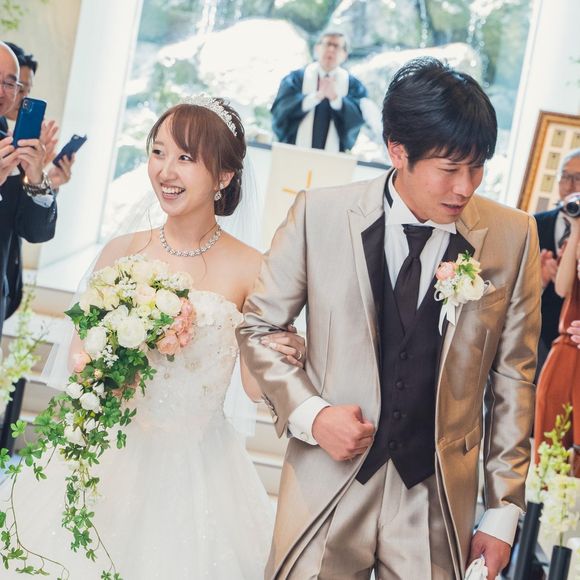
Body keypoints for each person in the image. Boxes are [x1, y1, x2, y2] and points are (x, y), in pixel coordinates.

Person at [238, 57, 540, 580]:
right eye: (450, 169)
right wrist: (312, 414)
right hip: (328, 482)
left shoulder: (514, 237)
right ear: (397, 150)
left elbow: (514, 377)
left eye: (478, 167)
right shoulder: (319, 214)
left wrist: (502, 511)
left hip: (434, 497)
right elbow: (259, 327)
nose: (466, 187)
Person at [0, 97, 305, 578]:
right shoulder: (121, 251)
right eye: (158, 152)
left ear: (224, 176)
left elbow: (252, 386)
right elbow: (79, 356)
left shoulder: (253, 268)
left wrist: (285, 351)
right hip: (105, 455)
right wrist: (108, 369)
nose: (166, 171)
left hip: (198, 468)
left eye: (185, 158)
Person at [0, 41, 58, 339]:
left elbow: (35, 231)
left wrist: (37, 177)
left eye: (10, 84)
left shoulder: (10, 146)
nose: (2, 92)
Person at [534, 194, 580, 472]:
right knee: (550, 437)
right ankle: (546, 493)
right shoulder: (575, 238)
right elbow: (562, 288)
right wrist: (576, 230)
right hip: (566, 349)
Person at [270, 32, 368, 153]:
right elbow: (281, 110)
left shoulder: (353, 86)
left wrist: (336, 99)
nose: (331, 49)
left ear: (345, 55)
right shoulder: (296, 79)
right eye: (327, 44)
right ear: (317, 48)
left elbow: (357, 119)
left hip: (333, 158)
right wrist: (315, 97)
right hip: (294, 154)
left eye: (336, 46)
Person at [534, 149, 580, 374]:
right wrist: (539, 282)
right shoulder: (533, 224)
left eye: (578, 178)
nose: (570, 186)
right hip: (537, 337)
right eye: (565, 176)